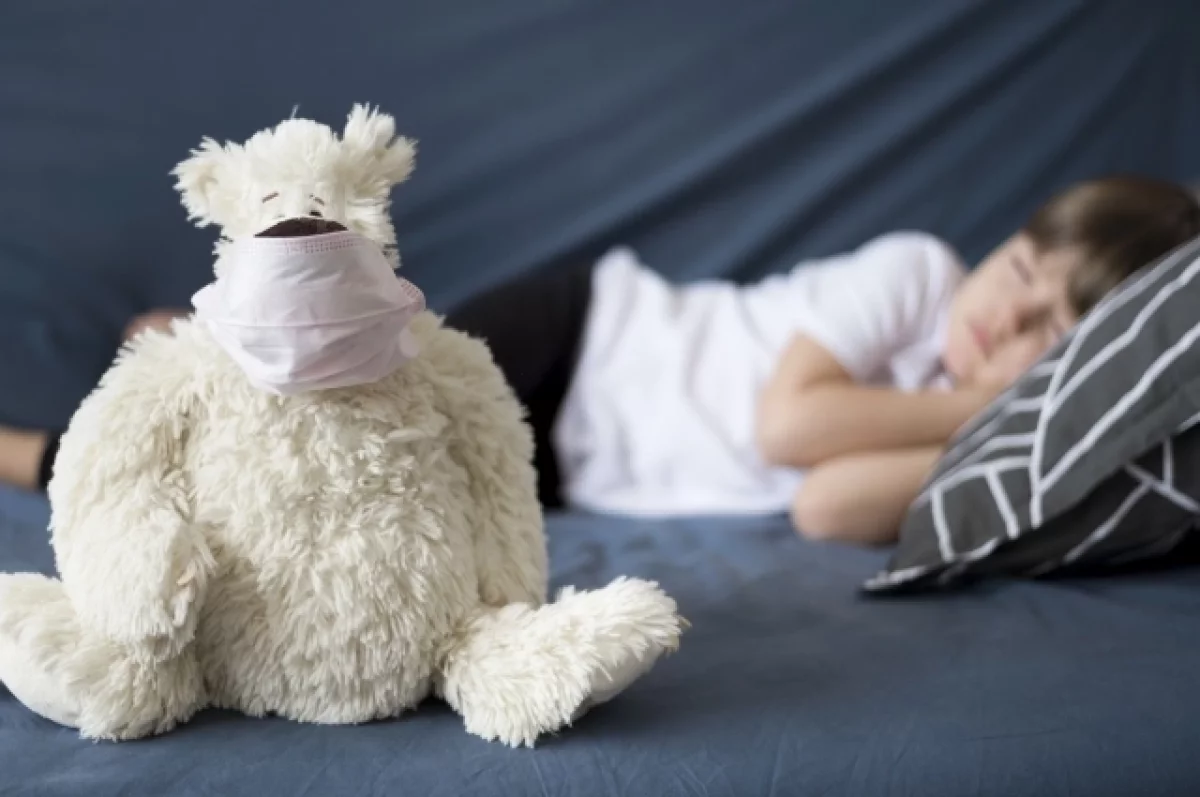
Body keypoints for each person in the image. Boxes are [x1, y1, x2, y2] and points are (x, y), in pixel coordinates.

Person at [3, 175, 1199, 547]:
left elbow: (827, 505)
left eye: (1051, 332)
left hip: (568, 471)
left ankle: (189, 348)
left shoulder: (990, 420)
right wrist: (983, 395)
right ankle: (82, 420)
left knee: (312, 493)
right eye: (1020, 269)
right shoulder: (922, 272)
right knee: (322, 425)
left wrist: (995, 412)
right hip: (590, 340)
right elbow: (789, 428)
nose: (1005, 319)